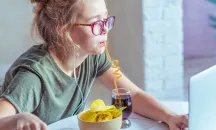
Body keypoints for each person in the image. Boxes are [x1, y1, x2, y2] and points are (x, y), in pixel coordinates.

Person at [0, 0, 188, 130]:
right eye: (96, 23)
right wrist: (16, 120)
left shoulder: (91, 56)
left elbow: (133, 94)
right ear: (65, 31)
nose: (105, 29)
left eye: (106, 20)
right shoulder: (34, 76)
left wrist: (170, 116)